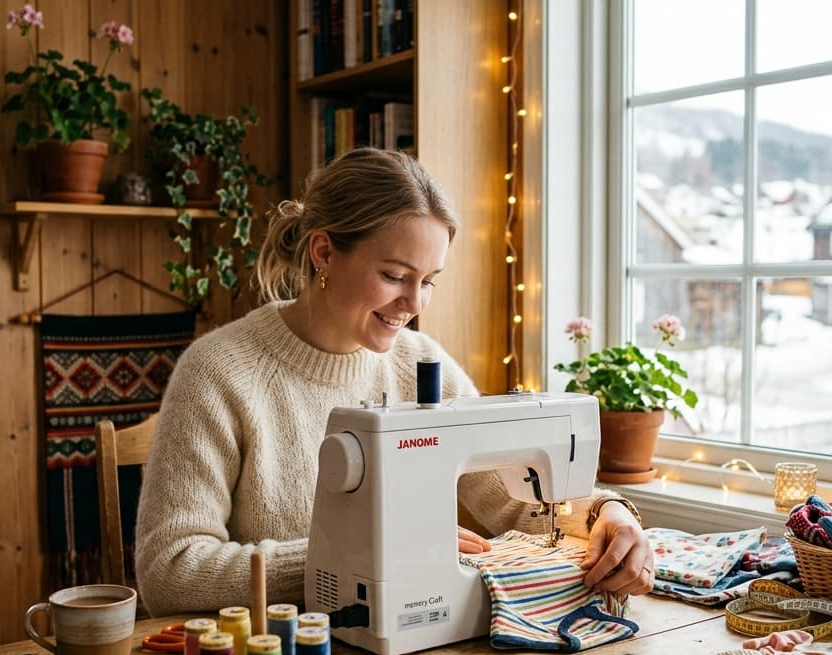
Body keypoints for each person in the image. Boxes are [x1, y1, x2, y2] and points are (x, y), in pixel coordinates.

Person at [135, 146, 652, 615]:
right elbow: (171, 572)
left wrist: (607, 516)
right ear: (324, 253)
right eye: (394, 276)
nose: (415, 303)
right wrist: (363, 553)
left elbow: (515, 498)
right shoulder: (219, 373)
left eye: (428, 281)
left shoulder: (422, 365)